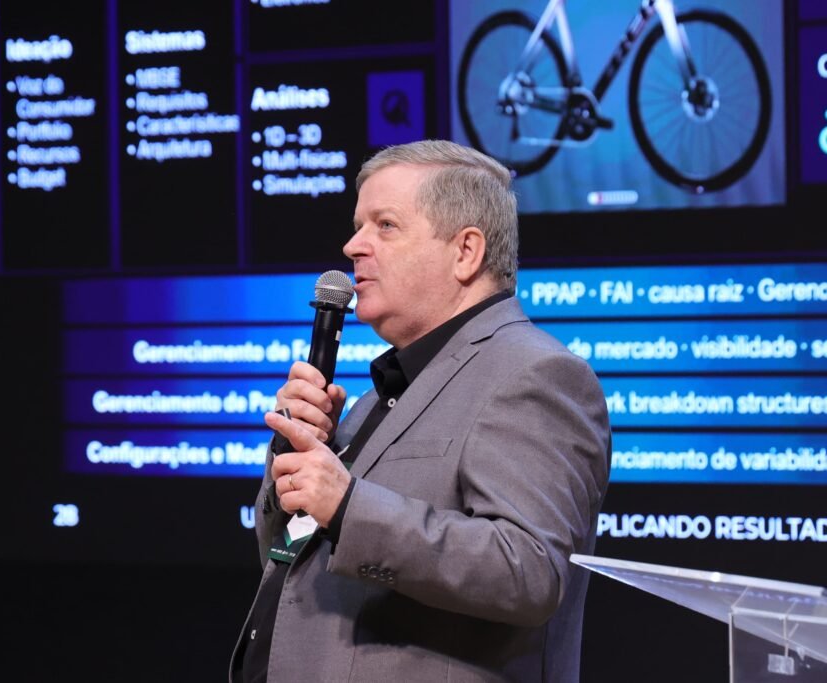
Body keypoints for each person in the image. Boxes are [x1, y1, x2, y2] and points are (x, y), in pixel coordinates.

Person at [230, 140, 611, 682]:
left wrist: (347, 506)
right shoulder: (378, 397)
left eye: (384, 225)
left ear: (466, 252)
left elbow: (528, 571)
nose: (352, 246)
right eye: (358, 226)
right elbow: (289, 560)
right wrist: (293, 459)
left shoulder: (534, 374)